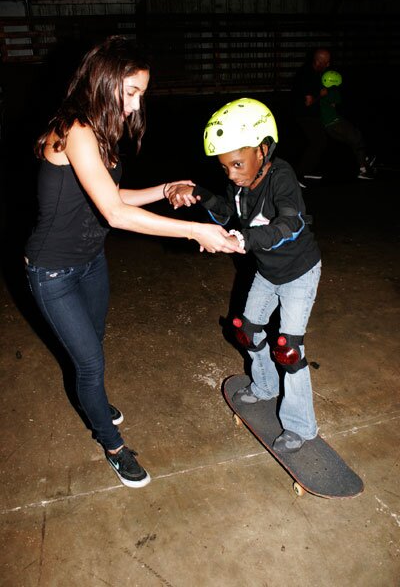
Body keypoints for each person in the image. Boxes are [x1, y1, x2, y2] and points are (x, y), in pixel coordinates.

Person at [24, 35, 245, 489]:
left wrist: (164, 190)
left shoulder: (100, 131)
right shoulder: (77, 130)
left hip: (89, 263)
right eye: (131, 94)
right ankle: (113, 445)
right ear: (105, 83)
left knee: (93, 348)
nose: (135, 106)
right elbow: (115, 213)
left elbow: (113, 194)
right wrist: (195, 230)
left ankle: (94, 399)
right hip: (51, 272)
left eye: (141, 95)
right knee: (88, 365)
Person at [165, 98, 322, 453]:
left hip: (298, 272)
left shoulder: (281, 178)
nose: (232, 175)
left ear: (263, 149)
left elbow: (291, 223)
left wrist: (245, 239)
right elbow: (227, 214)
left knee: (290, 350)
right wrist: (200, 194)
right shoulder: (239, 183)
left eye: (237, 164)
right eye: (225, 168)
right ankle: (265, 387)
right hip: (267, 271)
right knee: (249, 332)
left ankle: (300, 426)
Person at [320, 69, 374, 180]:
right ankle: (364, 168)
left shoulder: (321, 91)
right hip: (336, 122)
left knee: (353, 141)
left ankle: (364, 160)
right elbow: (337, 103)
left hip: (328, 127)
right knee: (357, 138)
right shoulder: (333, 92)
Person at [291, 47, 331, 186]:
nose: (328, 65)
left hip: (308, 114)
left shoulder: (313, 71)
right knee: (318, 142)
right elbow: (308, 102)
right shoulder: (308, 74)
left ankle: (308, 170)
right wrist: (321, 95)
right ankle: (298, 175)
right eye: (326, 62)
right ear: (319, 62)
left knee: (319, 142)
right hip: (304, 114)